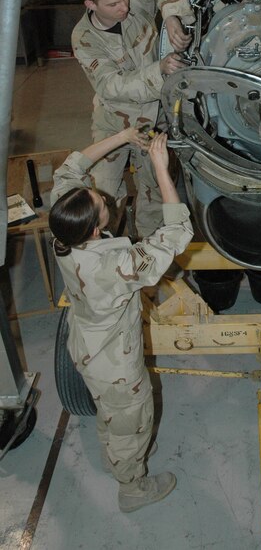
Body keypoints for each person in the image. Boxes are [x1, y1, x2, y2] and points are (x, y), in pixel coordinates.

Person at [49, 128, 193, 512]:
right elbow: (177, 233)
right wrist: (162, 170)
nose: (106, 198)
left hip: (87, 344)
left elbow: (73, 165)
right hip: (116, 362)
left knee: (112, 413)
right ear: (98, 228)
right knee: (132, 418)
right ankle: (132, 487)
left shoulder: (62, 227)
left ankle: (119, 450)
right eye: (102, 202)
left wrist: (124, 135)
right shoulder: (115, 266)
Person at [71, 0, 194, 238]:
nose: (124, 7)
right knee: (104, 195)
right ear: (91, 5)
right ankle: (106, 250)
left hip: (154, 118)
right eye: (113, 4)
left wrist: (171, 13)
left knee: (154, 191)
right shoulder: (84, 39)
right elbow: (111, 86)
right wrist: (159, 70)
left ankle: (147, 255)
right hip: (114, 122)